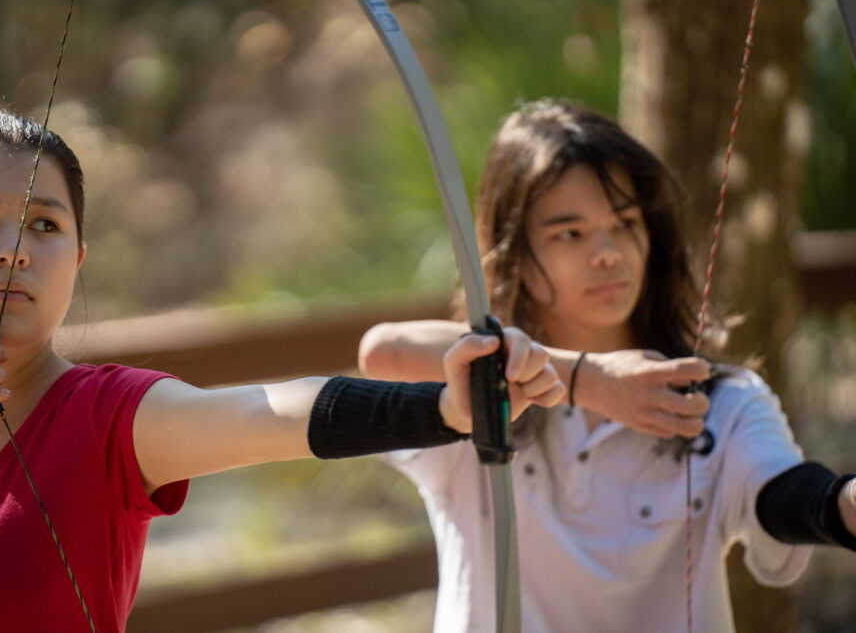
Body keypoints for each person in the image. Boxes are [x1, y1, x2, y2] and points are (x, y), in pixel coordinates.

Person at [0, 109, 573, 631]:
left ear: (77, 261)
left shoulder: (104, 417)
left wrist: (438, 409)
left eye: (46, 225)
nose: (13, 249)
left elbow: (267, 411)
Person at [358, 100, 856, 632]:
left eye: (624, 222)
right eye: (569, 233)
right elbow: (382, 353)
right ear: (516, 256)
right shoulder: (477, 391)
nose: (608, 253)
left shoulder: (717, 398)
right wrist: (587, 381)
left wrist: (846, 502)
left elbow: (784, 496)